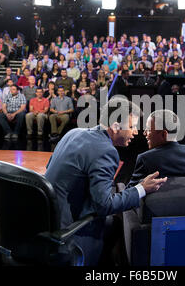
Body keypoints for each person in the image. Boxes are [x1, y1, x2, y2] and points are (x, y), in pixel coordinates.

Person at [44, 96, 167, 265]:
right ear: (115, 126)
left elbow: (50, 167)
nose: (136, 132)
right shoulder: (105, 151)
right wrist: (141, 189)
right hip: (69, 230)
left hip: (47, 220)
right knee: (117, 222)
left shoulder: (74, 133)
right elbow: (104, 205)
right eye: (131, 127)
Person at [129, 110, 185, 185]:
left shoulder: (145, 159)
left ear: (164, 134)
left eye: (149, 129)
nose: (144, 133)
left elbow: (132, 194)